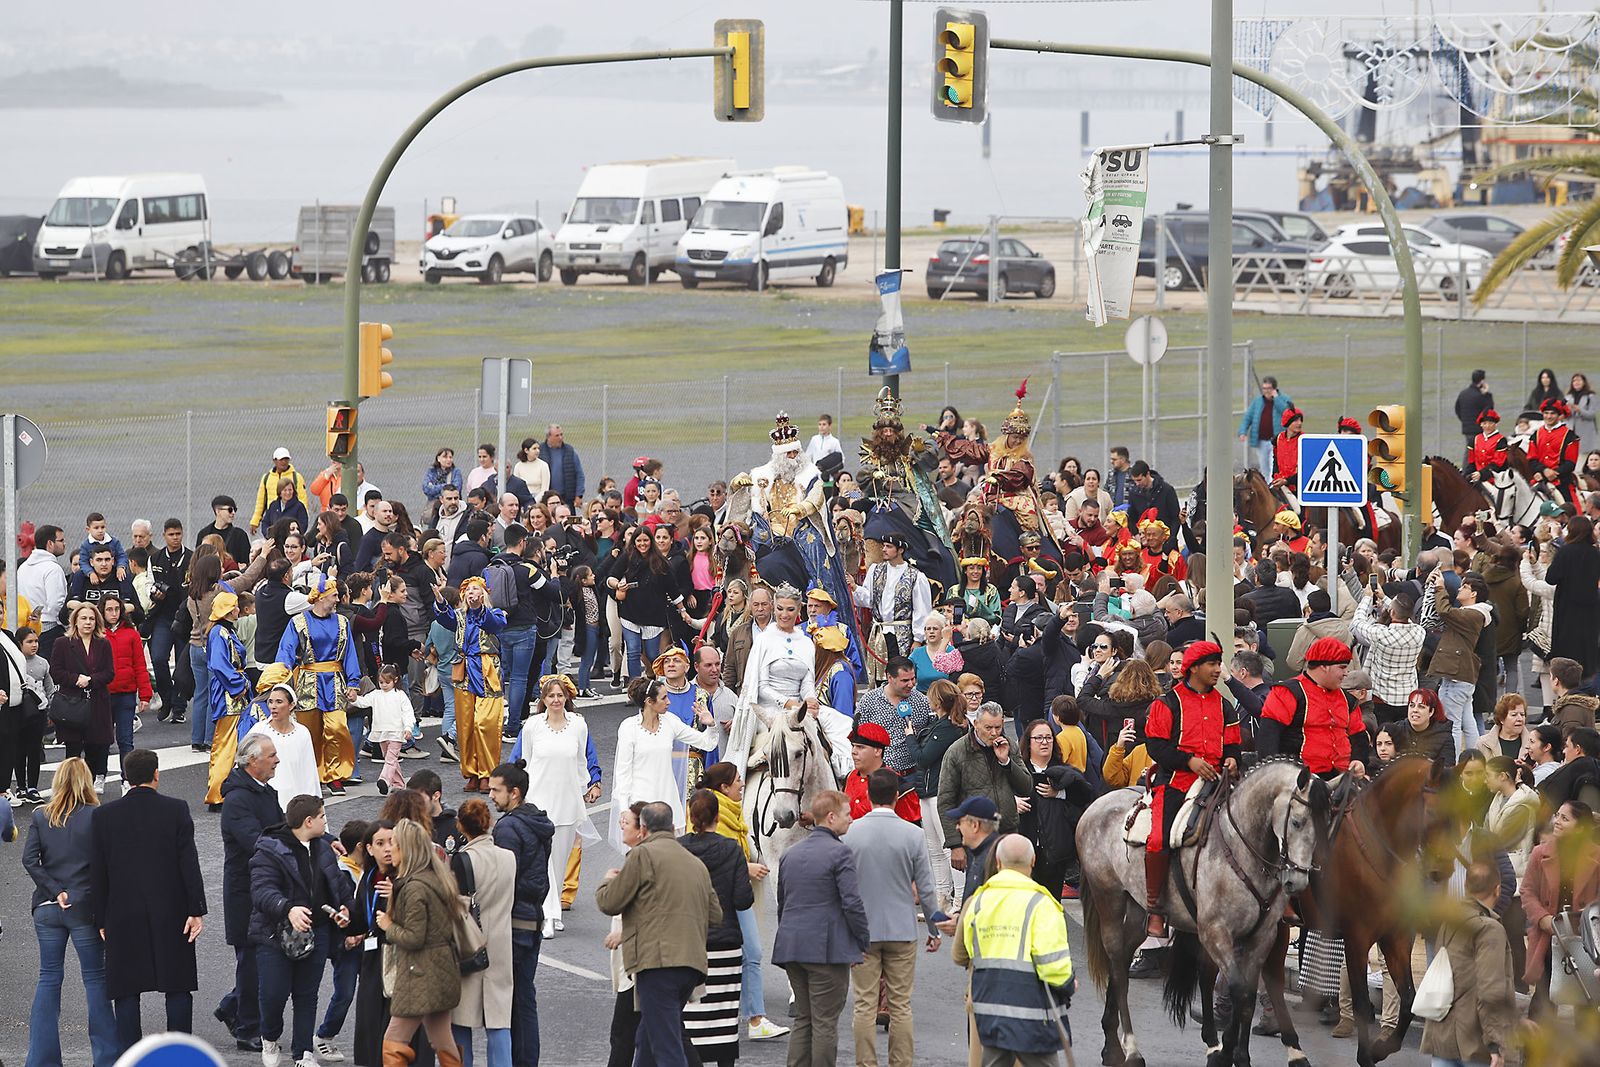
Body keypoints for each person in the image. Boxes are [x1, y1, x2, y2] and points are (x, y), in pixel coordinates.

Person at [88, 748, 206, 1052]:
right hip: (172, 909)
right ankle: (179, 1052)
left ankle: (131, 1054)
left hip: (122, 911)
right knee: (177, 985)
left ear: (125, 777)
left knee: (126, 989)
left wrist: (100, 917)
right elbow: (188, 864)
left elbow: (98, 872)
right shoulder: (176, 809)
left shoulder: (103, 816)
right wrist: (196, 909)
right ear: (156, 774)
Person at [596, 800, 723, 1067]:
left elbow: (610, 902)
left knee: (666, 1047)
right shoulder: (694, 862)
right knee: (648, 1038)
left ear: (643, 829)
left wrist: (608, 880)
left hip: (657, 963)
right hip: (690, 966)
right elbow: (715, 915)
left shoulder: (643, 855)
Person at [1142, 642, 1240, 938]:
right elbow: (1156, 746)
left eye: (1219, 664)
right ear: (1193, 668)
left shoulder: (1225, 704)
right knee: (1159, 838)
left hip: (1219, 781)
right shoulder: (1167, 703)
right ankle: (1154, 908)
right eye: (1212, 664)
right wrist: (1190, 761)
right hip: (1176, 783)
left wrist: (1232, 757)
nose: (1217, 670)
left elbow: (1233, 742)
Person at [24, 757, 116, 1067]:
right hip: (83, 908)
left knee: (48, 978)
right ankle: (105, 1058)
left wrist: (54, 891)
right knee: (95, 980)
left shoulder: (41, 816)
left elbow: (30, 861)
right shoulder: (98, 816)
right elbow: (105, 867)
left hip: (47, 908)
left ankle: (41, 1060)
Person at [953, 834, 1075, 1067]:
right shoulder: (1043, 905)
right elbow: (1053, 965)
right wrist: (1069, 983)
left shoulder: (977, 902)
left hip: (988, 1012)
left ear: (998, 863)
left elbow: (963, 954)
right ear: (1033, 862)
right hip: (1033, 1017)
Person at [846, 768, 941, 1067]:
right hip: (901, 928)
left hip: (862, 931)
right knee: (901, 1005)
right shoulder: (913, 834)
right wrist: (934, 928)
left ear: (868, 795)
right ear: (897, 796)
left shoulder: (850, 834)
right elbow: (926, 887)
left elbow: (844, 888)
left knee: (863, 1004)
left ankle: (866, 1063)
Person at [250, 793, 352, 1067]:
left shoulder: (323, 850)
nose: (326, 821)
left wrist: (345, 911)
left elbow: (340, 889)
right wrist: (288, 908)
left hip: (317, 932)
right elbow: (261, 891)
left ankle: (303, 1053)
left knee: (307, 995)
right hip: (275, 935)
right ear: (309, 821)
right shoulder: (269, 850)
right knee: (273, 993)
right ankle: (269, 1036)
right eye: (322, 817)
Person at [772, 790, 871, 1067]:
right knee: (825, 1021)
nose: (851, 819)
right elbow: (852, 903)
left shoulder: (790, 854)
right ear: (831, 817)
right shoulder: (840, 853)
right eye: (847, 814)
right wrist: (862, 940)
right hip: (826, 950)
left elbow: (783, 903)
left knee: (804, 1018)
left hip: (792, 944)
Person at [513, 674, 601, 937]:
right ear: (543, 699)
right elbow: (524, 761)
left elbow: (581, 762)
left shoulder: (578, 724)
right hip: (539, 801)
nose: (555, 700)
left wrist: (588, 786)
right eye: (551, 696)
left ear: (567, 698)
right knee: (544, 859)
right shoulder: (532, 725)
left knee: (560, 860)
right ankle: (548, 915)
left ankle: (555, 912)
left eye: (559, 695)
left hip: (567, 801)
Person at [379, 818, 465, 1066]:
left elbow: (414, 938)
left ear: (405, 849)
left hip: (419, 973)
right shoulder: (435, 878)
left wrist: (388, 925)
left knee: (394, 1040)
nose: (388, 849)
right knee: (442, 1038)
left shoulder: (413, 887)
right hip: (442, 970)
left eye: (393, 843)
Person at [217, 732, 283, 1053]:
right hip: (246, 892)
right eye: (271, 756)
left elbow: (280, 831)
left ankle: (234, 1007)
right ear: (252, 761)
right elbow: (257, 842)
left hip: (264, 888)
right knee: (252, 960)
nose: (277, 760)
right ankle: (246, 1027)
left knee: (261, 959)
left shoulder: (265, 792)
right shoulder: (238, 800)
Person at [679, 789, 755, 1067]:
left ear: (690, 816)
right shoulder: (731, 850)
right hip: (725, 942)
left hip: (688, 943)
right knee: (725, 1014)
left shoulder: (679, 848)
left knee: (689, 1012)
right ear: (717, 816)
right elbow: (742, 900)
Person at [488, 762, 554, 1067]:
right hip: (534, 917)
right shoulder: (536, 821)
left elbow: (503, 879)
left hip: (514, 922)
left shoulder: (508, 828)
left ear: (514, 793)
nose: (490, 796)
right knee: (525, 997)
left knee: (512, 1000)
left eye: (495, 790)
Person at [1418, 860, 1513, 1067]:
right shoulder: (1490, 929)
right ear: (1497, 890)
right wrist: (1495, 1043)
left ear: (1465, 887)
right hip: (1474, 1040)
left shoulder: (1449, 922)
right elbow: (1491, 989)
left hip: (1442, 1033)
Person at [273, 573, 360, 795]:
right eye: (334, 596)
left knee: (337, 728)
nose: (338, 600)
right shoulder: (298, 622)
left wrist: (353, 681)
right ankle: (310, 774)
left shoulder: (342, 622)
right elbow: (286, 651)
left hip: (335, 682)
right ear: (321, 598)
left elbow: (350, 653)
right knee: (308, 732)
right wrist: (280, 679)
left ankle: (334, 776)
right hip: (308, 683)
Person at [449, 798, 516, 1067]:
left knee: (460, 1020)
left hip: (469, 943)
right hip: (501, 943)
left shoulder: (462, 860)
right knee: (499, 1019)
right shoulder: (509, 858)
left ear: (460, 827)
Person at [1521, 800, 1600, 1017]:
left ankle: (1587, 1051)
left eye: (1565, 818)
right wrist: (1542, 918)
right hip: (1548, 935)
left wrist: (1589, 922)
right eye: (1557, 815)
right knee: (1543, 1000)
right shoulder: (1540, 853)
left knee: (1587, 1001)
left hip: (1586, 940)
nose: (1557, 821)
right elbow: (1527, 891)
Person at [614, 676, 719, 838]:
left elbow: (707, 743)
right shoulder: (628, 728)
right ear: (649, 701)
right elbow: (623, 772)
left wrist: (710, 724)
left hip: (669, 801)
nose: (669, 702)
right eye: (664, 698)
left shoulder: (671, 722)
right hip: (641, 803)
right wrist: (624, 808)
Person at [1255, 637, 1370, 777]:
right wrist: (1272, 775)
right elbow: (1268, 736)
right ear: (1324, 666)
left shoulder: (1348, 700)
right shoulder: (1288, 692)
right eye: (1342, 667)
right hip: (1300, 778)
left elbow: (1358, 736)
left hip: (1343, 777)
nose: (1346, 673)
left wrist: (1359, 760)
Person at [434, 576, 508, 794]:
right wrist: (440, 601)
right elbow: (444, 619)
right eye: (467, 590)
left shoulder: (495, 614)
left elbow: (493, 625)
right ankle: (472, 773)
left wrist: (478, 607)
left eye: (476, 589)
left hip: (487, 670)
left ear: (484, 594)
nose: (471, 593)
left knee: (484, 723)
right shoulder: (458, 616)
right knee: (465, 725)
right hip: (464, 669)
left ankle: (488, 773)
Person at [937, 702, 1032, 870]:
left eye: (998, 727)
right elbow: (945, 801)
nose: (994, 733)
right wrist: (955, 844)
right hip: (976, 837)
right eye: (988, 728)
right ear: (976, 724)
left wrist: (1006, 762)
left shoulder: (1008, 745)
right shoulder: (957, 752)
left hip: (1007, 831)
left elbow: (1026, 786)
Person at [1418, 568, 1491, 757]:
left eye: (1464, 587)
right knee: (1468, 723)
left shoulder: (1473, 614)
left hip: (1456, 676)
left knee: (1452, 724)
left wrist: (1440, 588)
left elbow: (1444, 611)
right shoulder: (1474, 613)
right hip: (1462, 675)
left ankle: (1456, 763)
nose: (1460, 589)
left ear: (1473, 594)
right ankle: (1476, 760)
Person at [50, 602, 115, 792]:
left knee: (96, 746)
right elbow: (56, 671)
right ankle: (70, 789)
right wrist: (76, 679)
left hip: (97, 701)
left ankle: (90, 785)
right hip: (72, 703)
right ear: (75, 621)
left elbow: (109, 673)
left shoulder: (103, 643)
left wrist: (91, 680)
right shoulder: (62, 643)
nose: (88, 622)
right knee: (73, 749)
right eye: (84, 618)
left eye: (92, 619)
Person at [850, 532, 933, 664]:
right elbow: (868, 600)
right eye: (883, 546)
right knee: (879, 675)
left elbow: (922, 610)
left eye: (888, 546)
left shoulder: (916, 576)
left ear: (900, 550)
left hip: (902, 636)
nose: (883, 549)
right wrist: (854, 587)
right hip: (878, 634)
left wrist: (918, 639)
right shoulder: (875, 570)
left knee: (901, 673)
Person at [1350, 585, 1426, 723]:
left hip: (1382, 697)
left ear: (1392, 612)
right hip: (1407, 695)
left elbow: (1358, 622)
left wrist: (1367, 598)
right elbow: (1403, 615)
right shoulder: (1419, 632)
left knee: (1384, 737)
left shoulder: (1381, 634)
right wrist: (1384, 597)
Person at [246, 678, 320, 808]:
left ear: (291, 705)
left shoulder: (302, 733)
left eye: (279, 702)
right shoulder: (259, 729)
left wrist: (311, 807)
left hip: (294, 804)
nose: (273, 706)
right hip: (265, 802)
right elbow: (243, 764)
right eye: (270, 702)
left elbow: (309, 773)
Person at [354, 663, 419, 795]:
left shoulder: (400, 695)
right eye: (381, 682)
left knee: (390, 759)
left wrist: (408, 728)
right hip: (381, 732)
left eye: (387, 682)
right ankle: (399, 784)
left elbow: (408, 712)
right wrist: (355, 699)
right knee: (390, 759)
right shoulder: (376, 694)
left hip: (396, 732)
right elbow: (363, 702)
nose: (383, 685)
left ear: (395, 680)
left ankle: (384, 780)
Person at [843, 720, 923, 823]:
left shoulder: (898, 785)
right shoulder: (850, 777)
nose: (853, 752)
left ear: (877, 751)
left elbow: (910, 831)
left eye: (860, 747)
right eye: (853, 746)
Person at [1238, 377, 1293, 475]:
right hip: (1262, 441)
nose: (1266, 391)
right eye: (1264, 388)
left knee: (1274, 466)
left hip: (1277, 441)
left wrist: (1276, 398)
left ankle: (1273, 488)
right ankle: (1266, 487)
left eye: (1269, 388)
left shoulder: (1284, 399)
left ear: (1274, 389)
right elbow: (1248, 417)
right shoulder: (1258, 401)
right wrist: (1243, 432)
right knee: (1264, 467)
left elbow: (1287, 413)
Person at [1397, 688, 1456, 765]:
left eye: (1421, 707)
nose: (1415, 710)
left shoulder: (1444, 736)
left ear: (1431, 712)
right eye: (1412, 705)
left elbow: (1448, 768)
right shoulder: (1397, 729)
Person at [1455, 369, 1496, 465]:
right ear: (1482, 381)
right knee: (1479, 452)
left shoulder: (1463, 394)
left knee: (1469, 451)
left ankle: (1465, 472)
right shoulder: (1481, 396)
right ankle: (1470, 473)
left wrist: (1465, 421)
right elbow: (1489, 411)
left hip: (1467, 428)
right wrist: (1487, 395)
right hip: (1478, 429)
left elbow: (1457, 409)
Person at [539, 424, 586, 506]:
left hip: (567, 498)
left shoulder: (570, 451)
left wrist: (579, 495)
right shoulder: (540, 451)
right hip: (547, 499)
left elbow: (579, 474)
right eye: (557, 435)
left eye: (561, 434)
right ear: (548, 437)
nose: (560, 438)